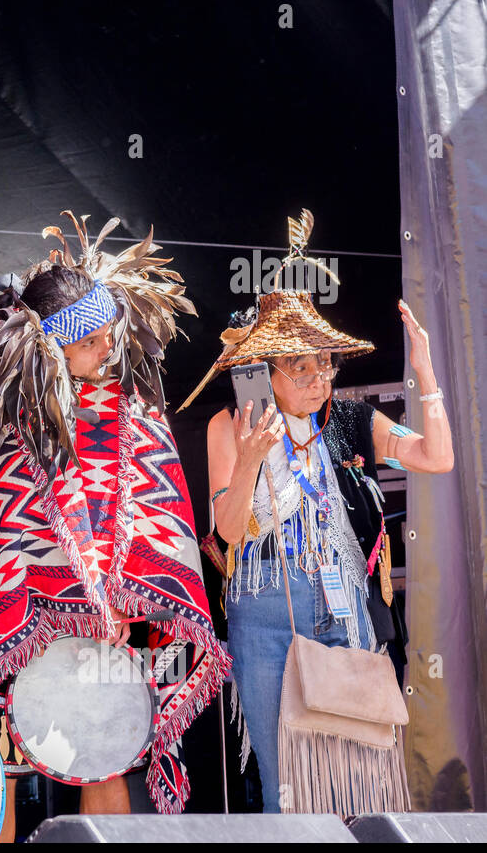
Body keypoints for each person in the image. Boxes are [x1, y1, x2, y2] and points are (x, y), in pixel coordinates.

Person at [0, 214, 228, 832]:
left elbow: (158, 514)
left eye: (109, 336)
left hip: (108, 622)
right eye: (92, 341)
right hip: (5, 616)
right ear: (51, 346)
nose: (108, 349)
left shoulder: (132, 409)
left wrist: (120, 594)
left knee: (104, 753)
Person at [184, 210, 452, 814]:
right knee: (287, 776)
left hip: (340, 599)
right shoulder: (232, 425)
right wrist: (252, 460)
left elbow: (436, 457)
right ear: (263, 370)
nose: (316, 377)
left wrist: (426, 370)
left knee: (357, 765)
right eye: (299, 366)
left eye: (323, 363)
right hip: (265, 601)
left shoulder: (350, 422)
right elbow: (225, 532)